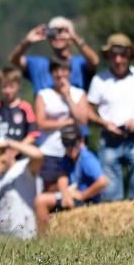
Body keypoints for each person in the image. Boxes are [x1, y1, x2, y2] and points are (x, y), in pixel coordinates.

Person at [86, 33, 134, 200]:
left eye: (123, 55)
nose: (118, 60)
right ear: (108, 56)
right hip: (109, 140)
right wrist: (104, 123)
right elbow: (88, 110)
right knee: (111, 196)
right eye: (114, 55)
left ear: (130, 55)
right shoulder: (99, 80)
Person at [34, 126, 109, 231]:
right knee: (40, 200)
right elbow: (62, 177)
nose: (69, 147)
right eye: (65, 143)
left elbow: (103, 182)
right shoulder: (67, 158)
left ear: (80, 141)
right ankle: (42, 236)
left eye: (72, 143)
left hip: (88, 201)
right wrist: (65, 195)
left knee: (42, 200)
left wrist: (83, 195)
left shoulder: (87, 158)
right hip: (72, 196)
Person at [34, 59, 90, 191]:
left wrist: (68, 97)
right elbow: (40, 123)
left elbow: (82, 120)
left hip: (74, 151)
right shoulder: (43, 95)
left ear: (70, 72)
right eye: (56, 71)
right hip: (49, 151)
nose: (60, 74)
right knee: (50, 191)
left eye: (64, 70)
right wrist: (66, 122)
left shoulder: (79, 94)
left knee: (74, 189)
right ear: (51, 73)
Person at [8, 16, 99, 94]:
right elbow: (14, 60)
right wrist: (26, 41)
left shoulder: (79, 63)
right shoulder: (38, 64)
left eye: (62, 31)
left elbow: (94, 61)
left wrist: (75, 38)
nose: (57, 36)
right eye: (53, 31)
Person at [0, 137, 43, 240]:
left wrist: (8, 143)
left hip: (26, 234)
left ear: (13, 152)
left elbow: (39, 155)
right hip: (4, 236)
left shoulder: (24, 167)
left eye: (1, 151)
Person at [0, 67, 37, 144]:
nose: (8, 91)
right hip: (0, 152)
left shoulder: (26, 108)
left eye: (11, 87)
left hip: (21, 153)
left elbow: (32, 134)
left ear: (18, 86)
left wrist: (18, 149)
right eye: (4, 87)